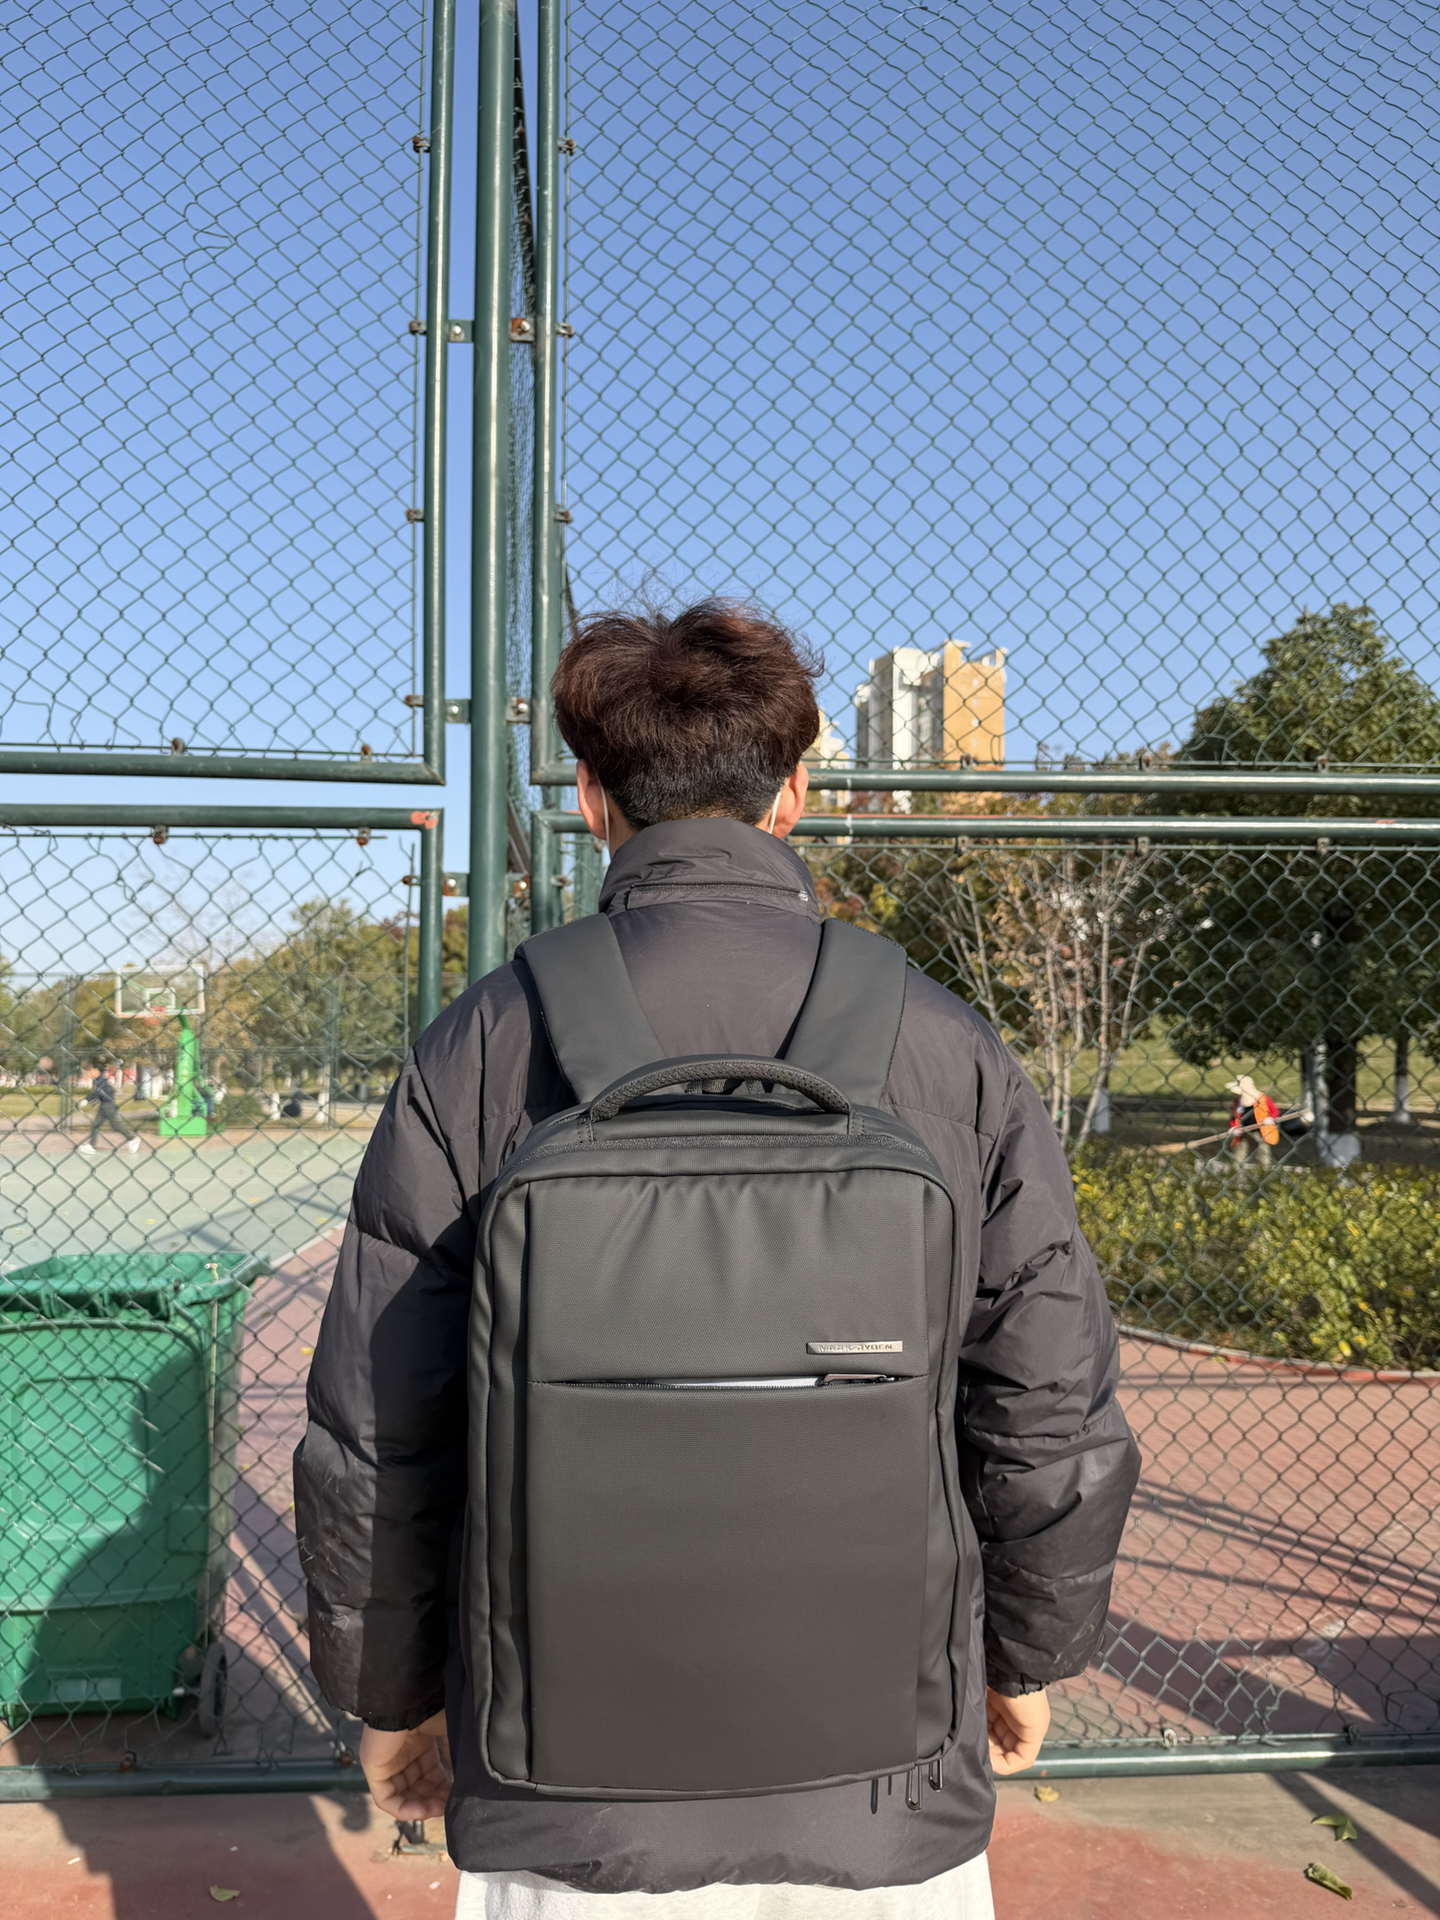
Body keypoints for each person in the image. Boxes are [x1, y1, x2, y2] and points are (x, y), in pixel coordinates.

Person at [295, 600, 1140, 1919]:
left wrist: (391, 1697)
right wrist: (1025, 1658)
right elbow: (1048, 1403)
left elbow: (378, 1425)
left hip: (561, 1785)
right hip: (890, 1775)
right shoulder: (942, 1042)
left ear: (592, 798)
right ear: (794, 792)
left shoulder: (482, 1043)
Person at [79, 1069, 140, 1154]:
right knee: (96, 1125)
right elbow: (98, 1093)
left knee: (115, 1125)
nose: (89, 1073)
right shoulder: (100, 1081)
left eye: (90, 1071)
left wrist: (87, 1099)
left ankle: (132, 1137)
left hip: (108, 1106)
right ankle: (92, 1146)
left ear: (96, 1071)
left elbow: (98, 1092)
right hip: (104, 1106)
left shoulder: (101, 1081)